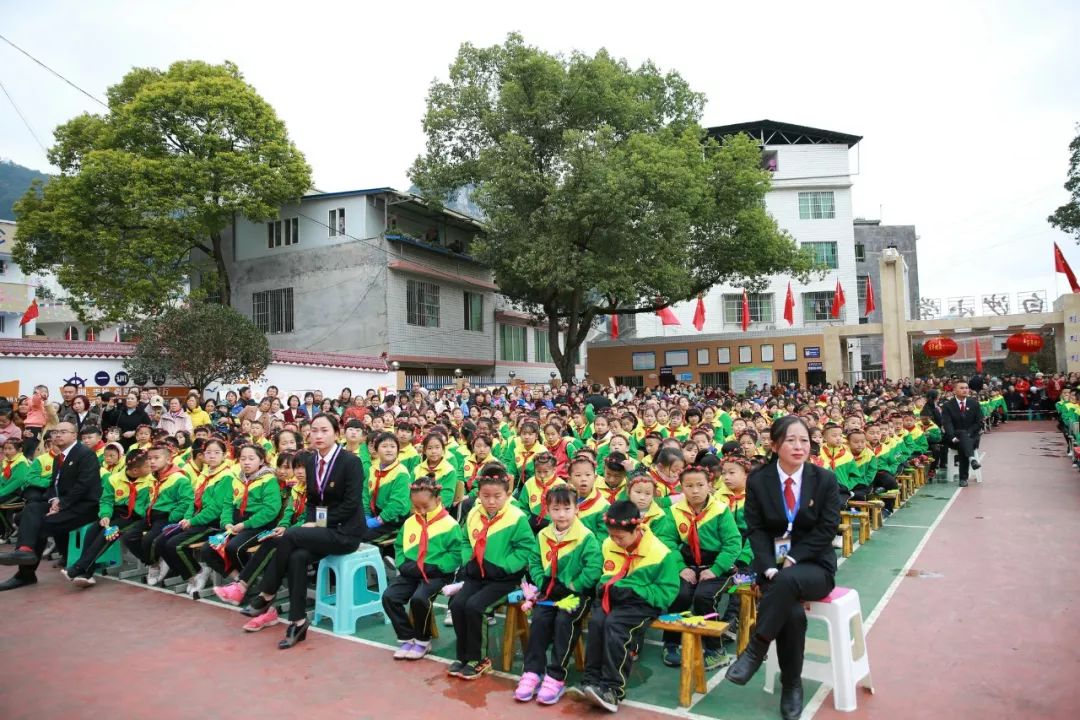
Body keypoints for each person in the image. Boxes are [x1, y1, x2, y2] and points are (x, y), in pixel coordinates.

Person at [725, 416, 842, 720]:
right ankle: (792, 685)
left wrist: (793, 559)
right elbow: (757, 529)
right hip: (770, 567)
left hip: (814, 565)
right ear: (775, 445)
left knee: (788, 581)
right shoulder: (759, 479)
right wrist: (767, 565)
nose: (799, 446)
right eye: (791, 440)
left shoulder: (824, 479)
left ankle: (756, 649)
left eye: (804, 440)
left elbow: (827, 529)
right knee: (789, 612)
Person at [241, 412, 366, 650]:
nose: (318, 435)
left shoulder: (350, 462)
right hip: (322, 530)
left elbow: (351, 505)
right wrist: (314, 523)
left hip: (346, 532)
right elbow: (312, 501)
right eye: (314, 430)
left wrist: (319, 523)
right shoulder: (310, 461)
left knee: (288, 535)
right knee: (297, 557)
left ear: (336, 434)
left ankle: (266, 594)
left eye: (324, 430)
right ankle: (298, 621)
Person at [579, 500, 681, 712]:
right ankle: (591, 681)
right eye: (612, 536)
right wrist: (605, 586)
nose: (615, 541)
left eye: (620, 537)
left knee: (616, 626)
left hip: (642, 604)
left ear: (637, 529)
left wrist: (634, 590)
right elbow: (605, 574)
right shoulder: (609, 543)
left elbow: (667, 593)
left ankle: (612, 689)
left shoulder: (660, 553)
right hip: (614, 598)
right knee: (598, 622)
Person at [515, 485, 601, 705]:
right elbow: (534, 559)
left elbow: (593, 567)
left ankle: (556, 675)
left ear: (576, 510)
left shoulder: (586, 537)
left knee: (564, 621)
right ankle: (533, 671)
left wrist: (574, 585)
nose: (561, 514)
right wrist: (540, 579)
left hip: (577, 594)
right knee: (540, 622)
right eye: (556, 509)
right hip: (550, 591)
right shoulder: (543, 534)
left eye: (566, 508)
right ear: (548, 510)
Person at [448, 464, 535, 680]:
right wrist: (469, 562)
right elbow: (465, 541)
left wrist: (504, 566)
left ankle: (480, 659)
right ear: (479, 494)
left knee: (476, 606)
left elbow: (526, 549)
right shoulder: (473, 514)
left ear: (507, 494)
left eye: (497, 496)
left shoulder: (516, 517)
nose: (492, 501)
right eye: (486, 496)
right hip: (477, 574)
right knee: (458, 604)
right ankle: (464, 656)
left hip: (504, 580)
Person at [0, 421, 102, 590]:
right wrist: (53, 500)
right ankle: (24, 551)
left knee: (39, 525)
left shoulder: (85, 454)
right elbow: (55, 484)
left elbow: (83, 486)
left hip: (85, 506)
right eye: (55, 432)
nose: (58, 435)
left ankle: (25, 574)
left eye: (63, 432)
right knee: (31, 509)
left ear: (74, 435)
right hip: (63, 502)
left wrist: (61, 504)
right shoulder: (59, 456)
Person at [661, 465, 742, 671]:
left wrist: (715, 569)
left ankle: (716, 650)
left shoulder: (720, 510)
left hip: (717, 566)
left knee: (704, 597)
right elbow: (666, 540)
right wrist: (680, 567)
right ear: (681, 487)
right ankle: (671, 643)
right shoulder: (675, 511)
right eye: (689, 486)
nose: (694, 490)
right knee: (678, 594)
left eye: (700, 485)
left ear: (710, 485)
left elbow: (733, 543)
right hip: (688, 565)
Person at [382, 473, 466, 660]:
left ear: (438, 499)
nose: (420, 511)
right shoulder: (410, 522)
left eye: (425, 506)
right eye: (416, 507)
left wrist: (438, 567)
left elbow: (456, 554)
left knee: (420, 598)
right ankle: (406, 636)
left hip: (437, 574)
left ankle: (422, 640)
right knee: (389, 597)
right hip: (411, 571)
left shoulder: (450, 525)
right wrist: (403, 564)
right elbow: (399, 546)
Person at [63, 449, 154, 587]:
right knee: (92, 531)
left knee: (108, 534)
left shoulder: (151, 480)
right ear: (135, 471)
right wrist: (105, 515)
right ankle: (86, 572)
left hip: (137, 517)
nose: (151, 467)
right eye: (147, 466)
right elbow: (106, 501)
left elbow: (148, 505)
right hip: (117, 513)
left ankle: (79, 568)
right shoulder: (114, 479)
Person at [201, 444, 282, 594]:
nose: (246, 462)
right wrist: (226, 523)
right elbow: (227, 505)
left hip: (259, 525)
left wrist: (245, 524)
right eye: (243, 458)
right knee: (208, 550)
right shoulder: (237, 479)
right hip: (236, 523)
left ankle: (246, 582)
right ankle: (240, 581)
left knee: (235, 548)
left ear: (261, 461)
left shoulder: (268, 480)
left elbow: (271, 510)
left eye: (251, 458)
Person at [160, 438, 234, 596]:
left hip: (211, 523)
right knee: (161, 540)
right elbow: (193, 501)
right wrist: (186, 518)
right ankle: (194, 572)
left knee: (175, 545)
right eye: (208, 453)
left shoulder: (226, 476)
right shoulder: (205, 473)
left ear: (224, 455)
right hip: (196, 519)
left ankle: (197, 572)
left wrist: (192, 521)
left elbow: (216, 509)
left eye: (216, 453)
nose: (212, 456)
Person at [941, 381, 983, 487]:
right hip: (953, 438)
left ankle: (963, 478)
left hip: (972, 437)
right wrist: (953, 437)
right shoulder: (947, 406)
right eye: (962, 388)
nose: (965, 390)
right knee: (962, 440)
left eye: (966, 388)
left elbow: (979, 423)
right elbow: (947, 424)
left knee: (963, 442)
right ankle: (971, 460)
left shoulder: (974, 403)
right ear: (954, 390)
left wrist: (968, 433)